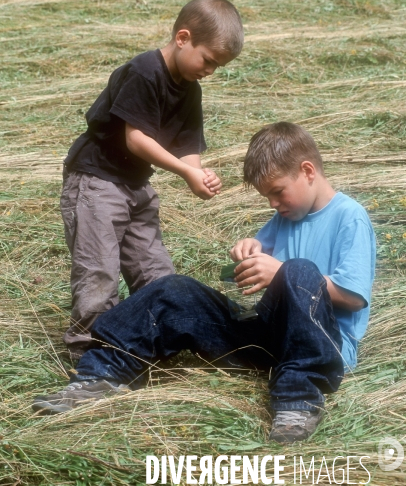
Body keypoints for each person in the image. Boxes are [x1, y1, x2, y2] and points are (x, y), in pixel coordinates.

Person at [34, 122, 376, 443]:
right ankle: (101, 374)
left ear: (308, 171)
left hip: (321, 346)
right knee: (173, 289)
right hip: (270, 340)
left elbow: (353, 296)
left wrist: (282, 271)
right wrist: (249, 251)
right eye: (266, 197)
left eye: (278, 192)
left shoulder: (350, 216)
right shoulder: (283, 216)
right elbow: (261, 269)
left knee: (300, 269)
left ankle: (299, 400)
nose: (273, 203)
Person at [60, 0, 244, 361]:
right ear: (182, 38)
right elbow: (137, 139)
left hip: (135, 186)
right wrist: (185, 170)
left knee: (154, 269)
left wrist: (198, 173)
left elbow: (187, 144)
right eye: (207, 59)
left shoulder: (190, 88)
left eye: (217, 67)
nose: (209, 70)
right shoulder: (144, 72)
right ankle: (90, 353)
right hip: (97, 181)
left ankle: (149, 340)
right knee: (99, 271)